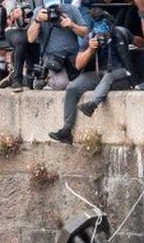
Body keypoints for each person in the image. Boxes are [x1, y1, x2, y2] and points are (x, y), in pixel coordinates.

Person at [48, 8, 132, 145]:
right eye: (97, 25)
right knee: (72, 88)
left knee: (109, 76)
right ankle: (66, 130)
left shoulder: (120, 32)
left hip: (121, 74)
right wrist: (90, 50)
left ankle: (92, 104)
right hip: (100, 73)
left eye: (103, 25)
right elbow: (78, 65)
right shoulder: (90, 37)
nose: (101, 30)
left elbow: (139, 42)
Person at [26, 0, 89, 91]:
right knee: (61, 85)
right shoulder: (39, 12)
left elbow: (86, 34)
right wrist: (37, 21)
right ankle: (47, 80)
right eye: (50, 7)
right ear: (44, 5)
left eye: (55, 6)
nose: (54, 9)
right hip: (52, 57)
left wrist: (73, 25)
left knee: (80, 85)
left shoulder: (71, 9)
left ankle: (53, 81)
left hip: (72, 56)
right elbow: (30, 39)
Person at [1, 0, 45, 90]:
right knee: (22, 41)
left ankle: (27, 76)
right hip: (16, 30)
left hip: (34, 28)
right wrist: (14, 15)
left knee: (34, 48)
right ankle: (16, 79)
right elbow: (10, 17)